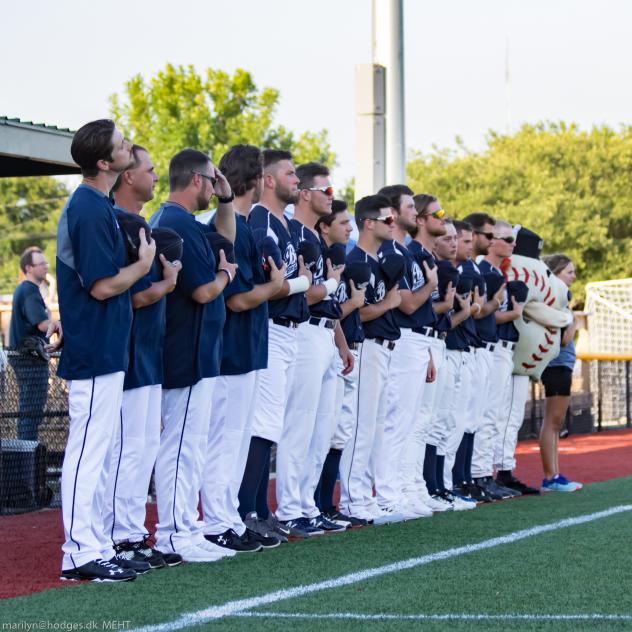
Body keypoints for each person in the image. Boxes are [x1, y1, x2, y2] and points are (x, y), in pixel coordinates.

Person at [57, 119, 154, 582]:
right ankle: (78, 551)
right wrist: (143, 265)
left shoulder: (97, 204)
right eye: (120, 144)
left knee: (101, 448)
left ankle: (94, 544)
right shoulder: (89, 208)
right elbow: (100, 287)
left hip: (107, 345)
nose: (128, 146)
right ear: (103, 162)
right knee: (88, 451)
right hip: (94, 346)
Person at [148, 148, 238, 563]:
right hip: (184, 351)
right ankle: (173, 533)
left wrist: (225, 199)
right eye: (211, 179)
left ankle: (186, 526)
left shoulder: (183, 221)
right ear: (197, 179)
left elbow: (226, 239)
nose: (214, 184)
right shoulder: (174, 222)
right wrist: (225, 275)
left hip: (196, 351)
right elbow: (203, 290)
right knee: (181, 446)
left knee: (190, 445)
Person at [200, 144, 286, 553]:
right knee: (225, 438)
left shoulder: (244, 225)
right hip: (231, 350)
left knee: (234, 438)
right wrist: (279, 285)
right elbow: (237, 298)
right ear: (255, 179)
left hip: (248, 348)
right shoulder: (230, 224)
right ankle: (216, 520)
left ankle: (227, 518)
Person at [103, 145, 183, 569]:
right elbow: (128, 296)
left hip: (149, 351)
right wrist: (167, 284)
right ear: (128, 176)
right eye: (149, 170)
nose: (155, 176)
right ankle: (119, 535)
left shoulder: (139, 224)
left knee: (145, 445)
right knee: (129, 448)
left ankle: (132, 532)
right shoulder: (119, 223)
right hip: (129, 351)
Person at [274, 162, 350, 537]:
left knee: (322, 429)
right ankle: (290, 508)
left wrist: (341, 344)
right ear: (305, 193)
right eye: (326, 190)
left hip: (324, 335)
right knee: (299, 424)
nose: (330, 197)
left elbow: (321, 295)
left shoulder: (314, 238)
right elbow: (306, 290)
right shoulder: (295, 233)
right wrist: (331, 285)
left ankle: (307, 504)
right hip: (302, 332)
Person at [240, 149, 312, 541]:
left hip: (288, 328)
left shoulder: (281, 222)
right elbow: (271, 284)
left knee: (272, 422)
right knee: (263, 420)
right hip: (269, 326)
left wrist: (296, 282)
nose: (295, 180)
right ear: (268, 180)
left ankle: (260, 507)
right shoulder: (260, 220)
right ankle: (247, 508)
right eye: (289, 174)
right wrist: (302, 282)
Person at [338, 194, 404, 524]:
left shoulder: (376, 261)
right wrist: (390, 303)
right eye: (387, 220)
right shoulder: (356, 260)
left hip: (383, 349)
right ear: (369, 223)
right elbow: (355, 313)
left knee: (376, 426)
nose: (393, 225)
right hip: (365, 348)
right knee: (361, 425)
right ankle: (353, 500)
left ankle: (365, 496)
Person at [374, 184, 436, 518]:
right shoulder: (391, 252)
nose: (416, 212)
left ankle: (400, 489)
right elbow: (409, 303)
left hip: (415, 341)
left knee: (409, 421)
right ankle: (387, 494)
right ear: (394, 213)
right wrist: (432, 285)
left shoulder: (405, 252)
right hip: (399, 339)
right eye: (410, 207)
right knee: (396, 421)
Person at [314, 199, 367, 526]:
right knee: (314, 429)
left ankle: (322, 504)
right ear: (325, 226)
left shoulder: (338, 258)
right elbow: (324, 309)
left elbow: (331, 314)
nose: (349, 228)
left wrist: (343, 347)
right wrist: (353, 303)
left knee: (338, 430)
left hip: (336, 345)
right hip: (307, 339)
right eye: (343, 222)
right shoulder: (320, 255)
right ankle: (309, 505)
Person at [471, 220, 526, 500]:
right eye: (505, 238)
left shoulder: (496, 272)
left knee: (493, 414)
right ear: (490, 241)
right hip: (486, 347)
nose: (511, 244)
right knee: (486, 414)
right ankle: (478, 475)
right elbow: (483, 313)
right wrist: (514, 314)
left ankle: (483, 474)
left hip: (497, 348)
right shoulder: (484, 271)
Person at [539, 254, 583, 492]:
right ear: (555, 274)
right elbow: (563, 339)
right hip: (556, 364)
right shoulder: (554, 302)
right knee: (553, 421)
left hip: (561, 364)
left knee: (556, 423)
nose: (574, 276)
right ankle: (550, 476)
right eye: (569, 272)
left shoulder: (560, 301)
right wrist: (573, 322)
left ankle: (554, 474)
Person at [8, 247, 57, 440]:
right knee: (31, 411)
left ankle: (25, 455)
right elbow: (42, 323)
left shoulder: (25, 289)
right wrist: (57, 324)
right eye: (41, 263)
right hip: (30, 359)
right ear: (28, 268)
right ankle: (25, 458)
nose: (46, 266)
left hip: (27, 358)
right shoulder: (29, 290)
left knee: (28, 411)